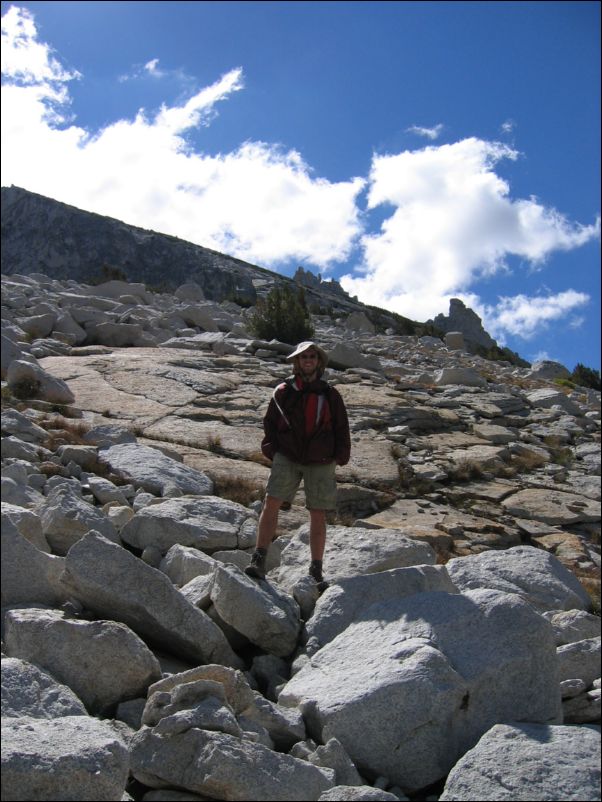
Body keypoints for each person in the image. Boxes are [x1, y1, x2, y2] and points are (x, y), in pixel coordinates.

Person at [245, 341, 351, 589]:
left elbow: (341, 427)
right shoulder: (283, 391)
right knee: (271, 502)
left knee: (317, 513)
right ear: (296, 362)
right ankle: (259, 558)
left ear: (319, 362)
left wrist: (341, 454)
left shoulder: (331, 394)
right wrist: (272, 449)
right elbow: (270, 422)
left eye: (312, 356)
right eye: (304, 357)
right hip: (288, 455)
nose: (308, 360)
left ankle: (316, 569)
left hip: (321, 459)